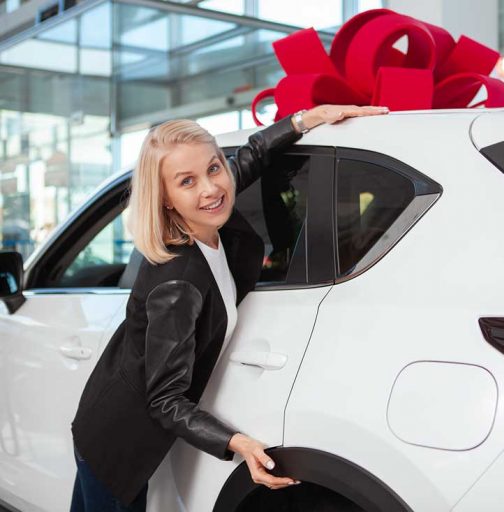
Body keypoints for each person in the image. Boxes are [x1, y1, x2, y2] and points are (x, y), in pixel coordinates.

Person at [69, 104, 389, 511]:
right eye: (187, 181)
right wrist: (238, 443)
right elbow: (165, 399)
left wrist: (304, 120)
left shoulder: (207, 213)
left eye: (214, 168)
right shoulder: (177, 282)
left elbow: (250, 156)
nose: (211, 188)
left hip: (125, 426)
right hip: (118, 440)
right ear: (166, 198)